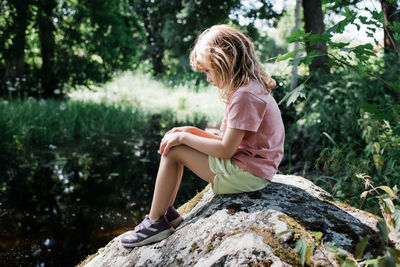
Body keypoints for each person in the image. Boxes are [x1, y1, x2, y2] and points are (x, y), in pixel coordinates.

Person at [120, 24, 285, 248]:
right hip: (251, 166)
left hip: (248, 174)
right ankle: (166, 212)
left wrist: (184, 139)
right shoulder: (249, 87)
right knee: (178, 140)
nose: (207, 78)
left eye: (208, 71)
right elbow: (230, 141)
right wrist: (188, 131)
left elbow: (226, 149)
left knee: (176, 150)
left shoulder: (245, 96)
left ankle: (155, 222)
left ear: (225, 62)